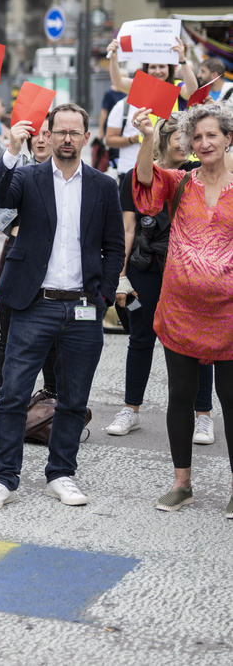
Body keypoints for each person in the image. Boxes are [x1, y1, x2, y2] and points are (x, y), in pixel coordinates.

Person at [0, 103, 126, 511]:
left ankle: (61, 474)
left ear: (85, 137)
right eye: (59, 131)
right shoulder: (27, 176)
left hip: (82, 307)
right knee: (13, 395)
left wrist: (102, 295)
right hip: (33, 305)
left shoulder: (103, 186)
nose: (66, 138)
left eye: (74, 132)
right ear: (48, 134)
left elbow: (114, 246)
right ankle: (4, 478)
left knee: (74, 400)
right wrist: (11, 149)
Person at [131, 104, 233, 515]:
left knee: (231, 400)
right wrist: (145, 137)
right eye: (196, 137)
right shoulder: (179, 183)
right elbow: (142, 182)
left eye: (212, 135)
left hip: (228, 315)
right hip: (180, 312)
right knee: (180, 396)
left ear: (228, 139)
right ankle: (182, 483)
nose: (203, 143)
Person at [106, 117, 215, 442]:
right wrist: (120, 276)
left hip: (189, 273)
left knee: (199, 343)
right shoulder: (136, 178)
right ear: (163, 140)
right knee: (140, 337)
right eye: (179, 138)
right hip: (145, 270)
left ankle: (203, 415)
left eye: (190, 138)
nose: (185, 144)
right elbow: (127, 229)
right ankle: (131, 410)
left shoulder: (198, 173)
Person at [0, 77, 60, 397]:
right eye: (36, 133)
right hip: (18, 254)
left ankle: (51, 401)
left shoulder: (66, 171)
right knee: (9, 337)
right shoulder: (17, 162)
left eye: (48, 134)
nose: (41, 139)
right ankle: (6, 400)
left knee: (52, 337)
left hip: (53, 261)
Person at [104, 37, 198, 173]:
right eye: (152, 67)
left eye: (162, 66)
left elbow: (192, 90)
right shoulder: (142, 87)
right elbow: (118, 82)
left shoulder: (178, 87)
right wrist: (113, 58)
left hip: (178, 157)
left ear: (169, 68)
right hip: (150, 155)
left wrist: (182, 60)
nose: (157, 71)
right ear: (146, 70)